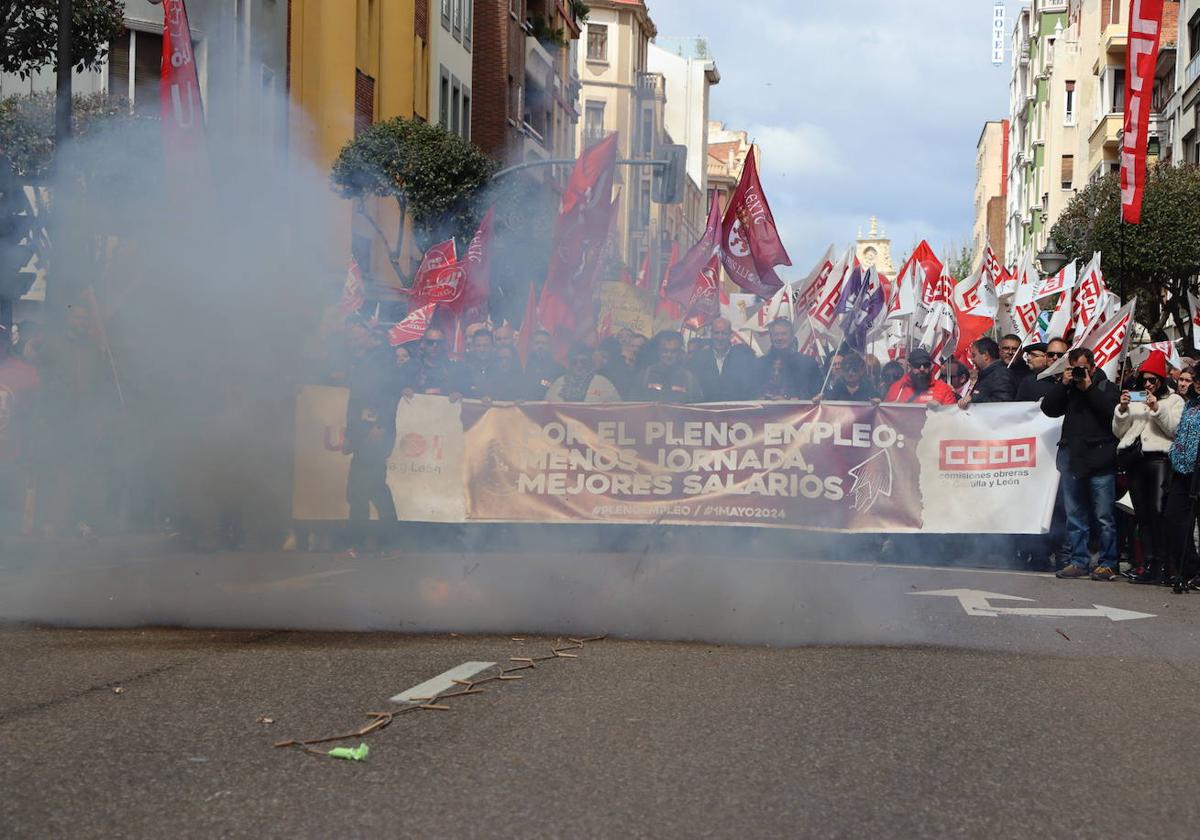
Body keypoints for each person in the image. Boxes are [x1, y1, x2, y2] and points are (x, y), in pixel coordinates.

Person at [1041, 347, 1121, 580]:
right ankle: (1078, 561)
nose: (1078, 373)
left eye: (1082, 369)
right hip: (1072, 460)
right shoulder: (1069, 389)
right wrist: (1063, 385)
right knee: (1075, 516)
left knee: (1104, 517)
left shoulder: (1106, 387)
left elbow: (1110, 411)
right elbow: (1048, 409)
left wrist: (1088, 388)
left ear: (1093, 367)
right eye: (1073, 368)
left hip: (1100, 460)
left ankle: (1107, 563)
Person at [1113, 351, 1184, 584]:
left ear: (1162, 380)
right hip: (1136, 461)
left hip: (1159, 461)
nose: (1147, 384)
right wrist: (1122, 410)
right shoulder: (1136, 399)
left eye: (1152, 380)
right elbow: (1120, 431)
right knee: (1141, 515)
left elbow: (1174, 430)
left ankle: (1165, 565)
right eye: (1144, 379)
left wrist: (1157, 408)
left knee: (1158, 513)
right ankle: (1148, 563)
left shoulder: (1174, 400)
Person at [342, 323, 398, 538]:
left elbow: (389, 396)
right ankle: (384, 542)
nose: (353, 342)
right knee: (370, 489)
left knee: (365, 489)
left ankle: (362, 543)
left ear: (367, 337)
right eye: (350, 339)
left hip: (374, 434)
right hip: (362, 433)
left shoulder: (381, 361)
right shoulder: (359, 363)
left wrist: (379, 425)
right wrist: (350, 435)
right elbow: (355, 404)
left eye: (357, 337)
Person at [1160, 367, 1200, 590]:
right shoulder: (1190, 405)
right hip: (1182, 472)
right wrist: (1176, 454)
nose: (1196, 384)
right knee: (1173, 520)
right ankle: (1191, 569)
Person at [0, 324, 39, 534]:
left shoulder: (25, 372)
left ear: (7, 342)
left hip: (11, 455)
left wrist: (30, 450)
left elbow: (35, 415)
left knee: (7, 510)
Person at [688, 318, 758, 402]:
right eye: (717, 333)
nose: (720, 337)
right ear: (711, 334)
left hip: (736, 411)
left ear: (730, 335)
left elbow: (751, 389)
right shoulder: (699, 359)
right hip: (707, 411)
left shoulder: (744, 359)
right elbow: (694, 390)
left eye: (724, 333)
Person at [757, 318, 822, 400]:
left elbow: (816, 394)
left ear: (791, 337)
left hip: (798, 412)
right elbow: (753, 392)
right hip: (766, 412)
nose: (779, 338)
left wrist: (787, 399)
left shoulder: (807, 363)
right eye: (776, 334)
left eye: (784, 334)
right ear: (771, 338)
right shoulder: (760, 364)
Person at [634, 331, 703, 404]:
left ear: (679, 352)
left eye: (673, 351)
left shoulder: (689, 379)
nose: (668, 355)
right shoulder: (645, 376)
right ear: (658, 351)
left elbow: (697, 409)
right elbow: (633, 405)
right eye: (665, 351)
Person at [546, 343, 622, 403]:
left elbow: (618, 409)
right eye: (575, 362)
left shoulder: (603, 383)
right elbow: (545, 408)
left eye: (583, 361)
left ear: (589, 362)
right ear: (570, 363)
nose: (579, 365)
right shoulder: (558, 383)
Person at [405, 327, 465, 398]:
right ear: (422, 344)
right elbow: (395, 389)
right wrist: (405, 390)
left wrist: (459, 394)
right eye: (430, 342)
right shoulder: (410, 367)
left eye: (439, 342)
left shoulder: (454, 369)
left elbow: (466, 393)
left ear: (444, 344)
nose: (435, 345)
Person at [883, 348, 956, 405]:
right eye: (917, 365)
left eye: (926, 365)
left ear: (930, 366)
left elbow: (951, 418)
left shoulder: (944, 390)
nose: (922, 369)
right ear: (910, 366)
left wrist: (940, 410)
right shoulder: (897, 388)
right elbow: (885, 416)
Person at [961, 336, 1016, 407]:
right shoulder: (985, 375)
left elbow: (1003, 403)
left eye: (974, 355)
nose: (972, 359)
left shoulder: (1001, 374)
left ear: (985, 356)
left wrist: (976, 399)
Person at [1016, 338, 1068, 402]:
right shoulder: (1029, 382)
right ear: (1046, 356)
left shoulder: (1074, 381)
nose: (1055, 358)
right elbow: (1019, 408)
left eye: (1060, 355)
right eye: (1050, 355)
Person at [526, 329, 564, 399]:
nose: (540, 346)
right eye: (537, 343)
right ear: (532, 345)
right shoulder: (524, 367)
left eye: (544, 343)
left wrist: (541, 381)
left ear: (550, 346)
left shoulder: (559, 369)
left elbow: (556, 388)